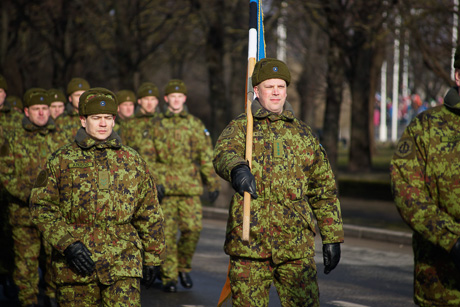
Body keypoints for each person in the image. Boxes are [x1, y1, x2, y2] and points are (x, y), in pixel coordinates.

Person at [213, 58, 344, 306]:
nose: (275, 92)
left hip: (295, 246)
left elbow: (323, 189)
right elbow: (223, 153)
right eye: (269, 86)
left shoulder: (304, 134)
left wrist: (332, 236)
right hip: (249, 245)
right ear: (257, 91)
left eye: (280, 86)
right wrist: (237, 167)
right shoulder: (242, 127)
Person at [29, 87, 165, 306]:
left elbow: (149, 211)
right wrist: (68, 244)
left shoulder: (132, 160)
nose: (103, 124)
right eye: (96, 118)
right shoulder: (61, 160)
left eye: (108, 118)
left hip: (123, 261)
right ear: (83, 120)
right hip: (77, 265)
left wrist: (153, 256)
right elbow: (41, 207)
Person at [390, 48, 460, 306]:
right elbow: (407, 193)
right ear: (458, 76)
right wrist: (452, 240)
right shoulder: (425, 128)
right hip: (441, 282)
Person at [151, 79, 220, 293]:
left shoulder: (194, 124)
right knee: (168, 235)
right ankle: (169, 276)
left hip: (189, 187)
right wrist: (155, 183)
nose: (176, 100)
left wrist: (212, 182)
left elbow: (206, 155)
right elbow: (147, 157)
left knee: (193, 229)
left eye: (180, 96)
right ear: (166, 99)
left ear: (185, 99)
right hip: (166, 189)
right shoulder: (156, 125)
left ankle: (182, 266)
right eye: (173, 96)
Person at [0, 88, 68, 306]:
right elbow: (5, 175)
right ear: (27, 111)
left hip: (54, 214)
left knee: (54, 259)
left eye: (45, 109)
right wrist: (32, 194)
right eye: (36, 109)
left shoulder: (61, 138)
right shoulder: (12, 139)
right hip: (23, 214)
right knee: (25, 263)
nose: (41, 113)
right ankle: (27, 300)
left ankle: (51, 296)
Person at [55, 77, 90, 142]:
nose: (81, 98)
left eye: (84, 95)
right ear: (70, 98)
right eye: (77, 95)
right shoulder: (60, 121)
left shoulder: (95, 117)